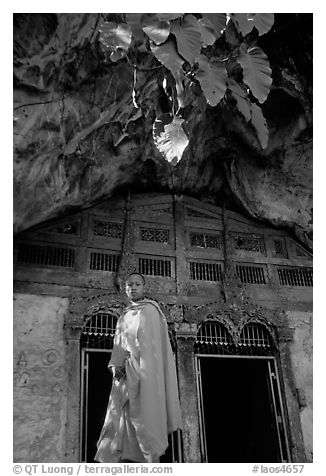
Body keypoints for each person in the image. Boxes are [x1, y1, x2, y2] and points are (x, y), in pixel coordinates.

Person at [95, 273, 183, 463]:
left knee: (147, 417)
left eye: (137, 284)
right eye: (129, 285)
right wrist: (115, 366)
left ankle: (149, 457)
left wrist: (139, 368)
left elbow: (152, 349)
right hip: (126, 377)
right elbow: (119, 344)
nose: (133, 288)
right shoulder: (125, 315)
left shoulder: (151, 312)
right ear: (125, 288)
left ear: (144, 288)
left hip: (146, 376)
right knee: (122, 419)